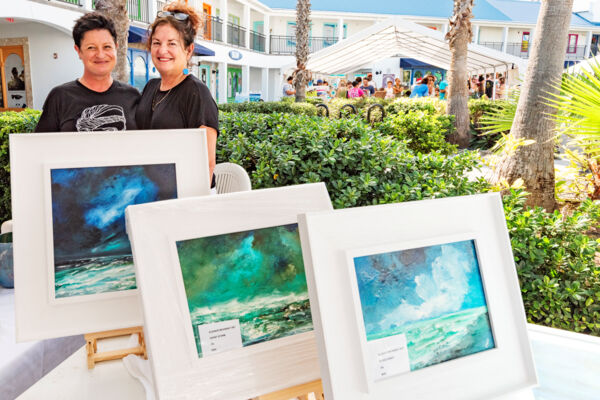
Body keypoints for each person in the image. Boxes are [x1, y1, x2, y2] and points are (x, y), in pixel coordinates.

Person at [136, 2, 219, 183]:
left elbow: (207, 165)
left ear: (189, 50)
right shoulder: (151, 87)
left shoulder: (196, 92)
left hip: (187, 195)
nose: (162, 50)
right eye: (156, 43)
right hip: (152, 189)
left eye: (172, 43)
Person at [35, 13, 140, 132]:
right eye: (91, 48)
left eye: (107, 47)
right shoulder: (60, 97)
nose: (100, 55)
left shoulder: (132, 96)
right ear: (78, 51)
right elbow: (42, 147)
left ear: (116, 47)